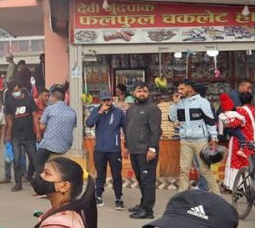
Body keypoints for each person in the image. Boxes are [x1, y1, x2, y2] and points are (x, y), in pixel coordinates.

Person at [169, 80, 218, 191]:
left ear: (190, 89)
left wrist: (214, 138)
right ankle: (182, 195)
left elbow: (210, 121)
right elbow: (172, 119)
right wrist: (174, 104)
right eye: (178, 89)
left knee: (205, 169)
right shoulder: (179, 103)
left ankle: (216, 195)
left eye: (182, 89)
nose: (179, 91)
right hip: (185, 140)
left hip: (201, 140)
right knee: (184, 170)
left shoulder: (202, 102)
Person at [125, 83, 162, 219]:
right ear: (134, 93)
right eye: (139, 91)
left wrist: (152, 149)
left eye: (145, 91)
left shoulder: (153, 109)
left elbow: (156, 131)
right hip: (134, 150)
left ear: (149, 93)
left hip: (146, 151)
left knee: (147, 180)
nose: (142, 94)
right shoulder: (132, 109)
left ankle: (148, 211)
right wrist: (127, 146)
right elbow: (128, 128)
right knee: (141, 179)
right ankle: (143, 204)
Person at [86, 90, 126, 210]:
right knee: (100, 174)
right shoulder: (96, 111)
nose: (106, 102)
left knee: (116, 175)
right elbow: (89, 124)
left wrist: (127, 145)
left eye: (108, 100)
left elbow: (126, 128)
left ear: (112, 100)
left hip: (114, 149)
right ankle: (98, 195)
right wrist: (100, 112)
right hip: (100, 149)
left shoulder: (119, 112)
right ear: (100, 101)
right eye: (104, 100)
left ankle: (118, 198)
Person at [4, 81, 40, 191]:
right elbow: (9, 119)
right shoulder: (9, 102)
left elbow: (34, 115)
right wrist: (8, 134)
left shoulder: (29, 100)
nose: (16, 93)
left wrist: (37, 131)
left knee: (34, 159)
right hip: (16, 135)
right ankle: (18, 183)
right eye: (13, 91)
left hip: (29, 135)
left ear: (21, 89)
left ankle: (36, 181)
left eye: (17, 90)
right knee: (17, 160)